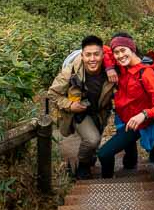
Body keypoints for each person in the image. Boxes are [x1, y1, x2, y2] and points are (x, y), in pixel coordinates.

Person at [96, 33, 154, 179]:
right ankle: (130, 165)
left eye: (123, 50)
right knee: (128, 154)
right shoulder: (122, 66)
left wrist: (144, 114)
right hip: (124, 118)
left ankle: (106, 184)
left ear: (132, 49)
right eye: (116, 52)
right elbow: (104, 49)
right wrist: (110, 68)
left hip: (138, 123)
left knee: (104, 154)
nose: (119, 56)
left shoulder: (146, 73)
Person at [48, 35, 116, 179]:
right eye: (88, 55)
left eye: (96, 54)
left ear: (103, 55)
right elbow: (53, 93)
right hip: (80, 112)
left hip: (100, 112)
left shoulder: (111, 71)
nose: (92, 59)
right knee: (92, 139)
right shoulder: (71, 71)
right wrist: (70, 105)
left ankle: (89, 159)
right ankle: (82, 167)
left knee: (93, 143)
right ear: (82, 55)